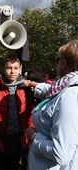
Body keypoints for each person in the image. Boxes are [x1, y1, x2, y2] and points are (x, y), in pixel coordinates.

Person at [26, 39, 78, 170]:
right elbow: (52, 91)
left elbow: (61, 153)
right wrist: (33, 84)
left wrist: (33, 136)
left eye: (57, 59)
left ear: (64, 62)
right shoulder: (65, 87)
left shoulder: (69, 96)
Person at [0, 55, 34, 170]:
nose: (12, 71)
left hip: (18, 141)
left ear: (20, 69)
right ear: (3, 69)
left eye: (15, 68)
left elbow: (29, 114)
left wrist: (29, 136)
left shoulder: (25, 88)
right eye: (9, 68)